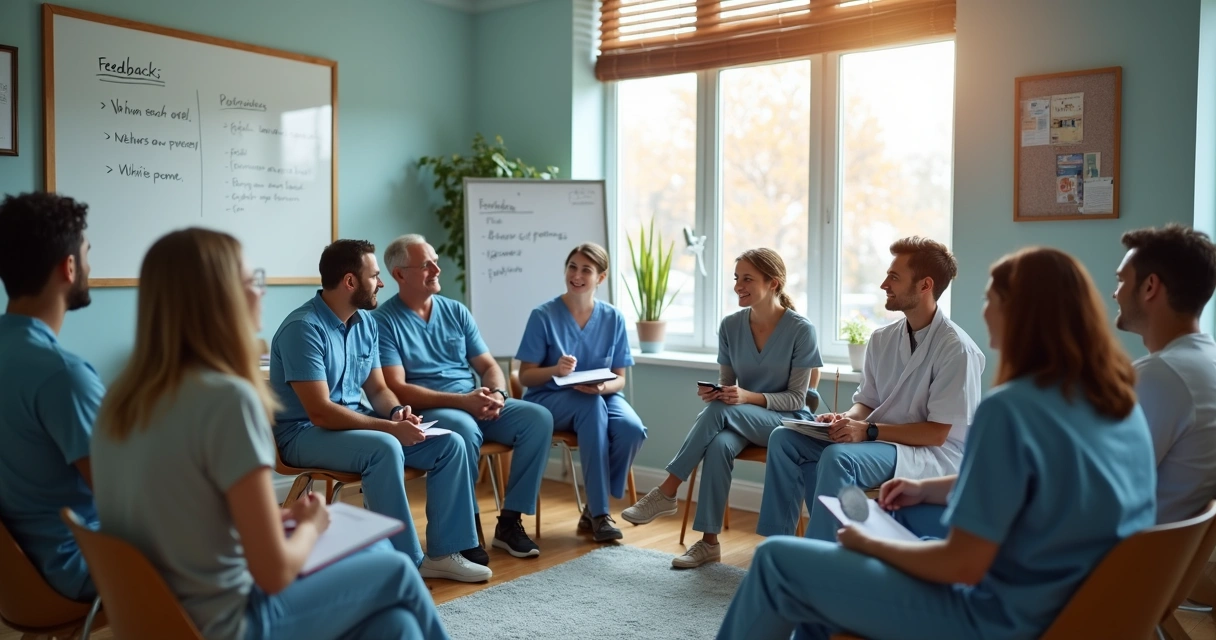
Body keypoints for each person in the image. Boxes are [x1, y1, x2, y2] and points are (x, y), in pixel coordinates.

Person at [716, 246, 1157, 640]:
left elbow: (961, 564)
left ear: (1021, 313)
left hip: (995, 617)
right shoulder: (1119, 404)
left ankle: (810, 556)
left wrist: (869, 544)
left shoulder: (1010, 407)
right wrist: (927, 491)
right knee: (819, 573)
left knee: (779, 561)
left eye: (990, 300)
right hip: (1065, 605)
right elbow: (1038, 488)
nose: (984, 312)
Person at [91, 228, 450, 640]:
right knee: (398, 568)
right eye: (251, 281)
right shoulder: (228, 399)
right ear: (217, 298)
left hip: (157, 614)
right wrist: (313, 525)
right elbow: (275, 572)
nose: (260, 292)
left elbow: (189, 515)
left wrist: (281, 517)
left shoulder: (119, 399)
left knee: (395, 623)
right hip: (226, 620)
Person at [270, 239, 489, 582]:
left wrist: (398, 412)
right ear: (350, 282)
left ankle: (446, 552)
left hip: (353, 423)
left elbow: (378, 389)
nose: (382, 282)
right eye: (375, 276)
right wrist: (389, 430)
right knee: (384, 447)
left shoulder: (366, 324)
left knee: (451, 443)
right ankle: (406, 564)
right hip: (303, 433)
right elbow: (321, 413)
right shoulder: (303, 328)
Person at [757, 237, 984, 542]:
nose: (883, 284)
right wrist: (845, 420)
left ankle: (817, 558)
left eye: (894, 277)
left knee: (838, 458)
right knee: (784, 439)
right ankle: (776, 544)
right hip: (879, 440)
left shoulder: (957, 349)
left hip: (931, 454)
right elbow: (867, 401)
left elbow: (937, 434)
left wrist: (867, 431)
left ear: (924, 285)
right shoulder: (881, 339)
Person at [621, 248, 821, 568]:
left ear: (773, 283)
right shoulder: (730, 326)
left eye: (748, 279)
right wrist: (721, 394)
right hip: (741, 418)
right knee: (717, 444)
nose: (738, 285)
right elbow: (728, 384)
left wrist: (744, 397)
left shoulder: (801, 329)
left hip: (787, 422)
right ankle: (709, 543)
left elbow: (798, 399)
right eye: (736, 278)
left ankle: (667, 490)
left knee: (720, 414)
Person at [374, 234, 553, 558]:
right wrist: (463, 402)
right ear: (400, 274)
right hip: (434, 408)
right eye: (426, 265)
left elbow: (487, 365)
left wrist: (497, 394)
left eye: (435, 261)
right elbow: (397, 388)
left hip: (475, 400)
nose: (437, 269)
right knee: (464, 428)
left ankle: (510, 522)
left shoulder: (456, 311)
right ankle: (465, 529)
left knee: (537, 418)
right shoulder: (383, 322)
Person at [0, 192, 102, 602]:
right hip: (78, 564)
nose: (91, 266)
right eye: (88, 253)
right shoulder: (63, 374)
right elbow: (126, 497)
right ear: (70, 266)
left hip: (19, 574)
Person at [515, 243, 648, 542]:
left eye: (586, 269)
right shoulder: (543, 316)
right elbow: (525, 376)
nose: (576, 275)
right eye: (572, 267)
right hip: (549, 398)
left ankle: (591, 508)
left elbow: (620, 379)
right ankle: (601, 514)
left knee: (632, 430)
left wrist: (602, 387)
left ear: (601, 278)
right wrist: (555, 370)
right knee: (592, 408)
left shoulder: (613, 318)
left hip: (602, 395)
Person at [1113, 224, 1216, 523]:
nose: (1115, 293)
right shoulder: (1205, 361)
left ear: (1150, 287)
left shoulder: (1160, 376)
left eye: (1121, 281)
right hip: (1160, 562)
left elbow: (1100, 491)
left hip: (1114, 562)